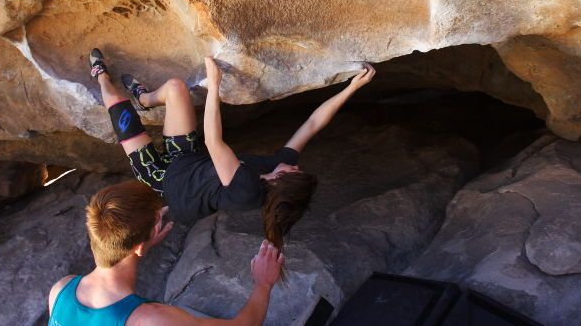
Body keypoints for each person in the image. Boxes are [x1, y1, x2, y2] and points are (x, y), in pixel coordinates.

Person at [88, 49, 375, 253]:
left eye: (294, 172)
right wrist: (352, 88)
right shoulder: (277, 168)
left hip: (165, 182)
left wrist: (214, 85)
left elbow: (215, 142)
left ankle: (100, 75)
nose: (295, 166)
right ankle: (147, 98)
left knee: (121, 114)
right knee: (175, 88)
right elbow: (312, 125)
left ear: (279, 182)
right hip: (186, 160)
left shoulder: (247, 189)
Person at [48, 180, 284, 325]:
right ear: (138, 247)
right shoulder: (151, 320)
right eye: (157, 222)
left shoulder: (60, 290)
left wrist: (146, 239)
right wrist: (263, 284)